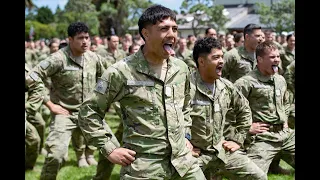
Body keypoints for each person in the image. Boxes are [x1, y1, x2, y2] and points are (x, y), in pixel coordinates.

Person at [78, 4, 206, 179]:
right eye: (164, 29)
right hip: (145, 166)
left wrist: (186, 135)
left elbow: (185, 106)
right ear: (146, 34)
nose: (172, 34)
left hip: (183, 162)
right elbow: (89, 111)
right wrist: (109, 149)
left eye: (175, 29)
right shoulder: (122, 71)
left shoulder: (181, 68)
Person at [28, 22, 112, 180]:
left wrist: (100, 97)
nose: (85, 41)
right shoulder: (58, 59)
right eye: (81, 38)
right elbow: (33, 77)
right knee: (56, 155)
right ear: (70, 39)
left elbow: (108, 77)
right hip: (64, 113)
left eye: (87, 37)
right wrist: (49, 103)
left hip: (89, 112)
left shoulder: (94, 58)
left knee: (112, 149)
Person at [189, 37, 266, 180]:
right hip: (196, 155)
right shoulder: (186, 87)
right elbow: (173, 117)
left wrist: (238, 140)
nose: (222, 61)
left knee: (259, 177)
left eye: (222, 57)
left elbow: (244, 110)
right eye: (216, 57)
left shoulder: (226, 86)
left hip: (222, 151)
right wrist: (184, 142)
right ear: (201, 61)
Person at [234, 41, 295, 174]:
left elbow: (285, 103)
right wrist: (247, 127)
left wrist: (284, 120)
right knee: (254, 176)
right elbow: (229, 110)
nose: (277, 60)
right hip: (262, 138)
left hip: (285, 135)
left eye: (278, 56)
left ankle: (275, 166)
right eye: (272, 57)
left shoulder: (280, 80)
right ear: (260, 59)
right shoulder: (246, 83)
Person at [25, 63, 45, 170]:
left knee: (40, 124)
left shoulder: (27, 69)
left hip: (27, 108)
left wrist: (29, 106)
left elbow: (38, 85)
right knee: (33, 138)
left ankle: (28, 166)